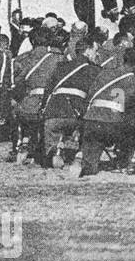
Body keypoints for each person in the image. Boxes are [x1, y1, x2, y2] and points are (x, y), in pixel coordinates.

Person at [79, 47, 135, 177]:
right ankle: (128, 162)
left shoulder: (104, 73)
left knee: (92, 147)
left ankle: (89, 168)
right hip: (114, 124)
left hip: (92, 119)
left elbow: (89, 97)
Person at [39, 32, 102, 169]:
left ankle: (55, 151)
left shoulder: (61, 67)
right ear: (88, 50)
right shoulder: (94, 70)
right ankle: (80, 156)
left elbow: (48, 91)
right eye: (95, 51)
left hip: (53, 114)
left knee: (53, 130)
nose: (97, 54)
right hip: (75, 114)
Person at [10, 26, 66, 164]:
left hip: (27, 105)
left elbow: (16, 85)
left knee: (22, 112)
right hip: (50, 105)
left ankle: (23, 143)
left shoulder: (22, 59)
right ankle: (54, 150)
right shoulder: (59, 58)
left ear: (31, 40)